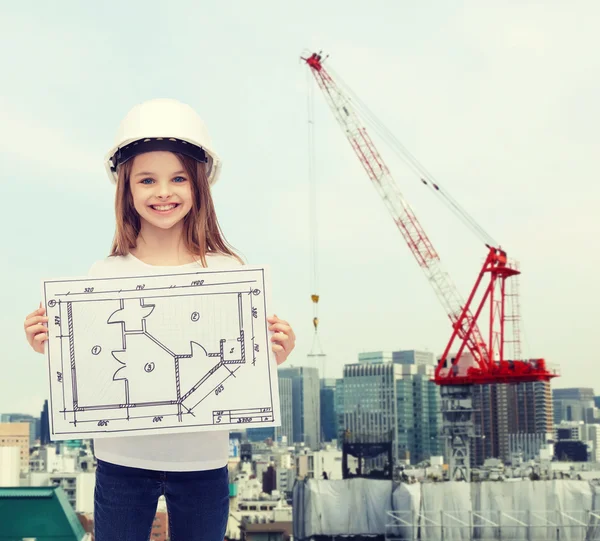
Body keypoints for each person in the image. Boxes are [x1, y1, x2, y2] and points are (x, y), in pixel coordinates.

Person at [23, 98, 296, 540]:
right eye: (147, 179)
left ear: (199, 185)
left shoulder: (227, 272)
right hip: (121, 463)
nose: (163, 192)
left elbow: (236, 365)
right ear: (126, 189)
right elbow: (92, 367)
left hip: (203, 464)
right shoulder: (103, 276)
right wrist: (48, 345)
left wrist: (273, 354)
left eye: (178, 178)